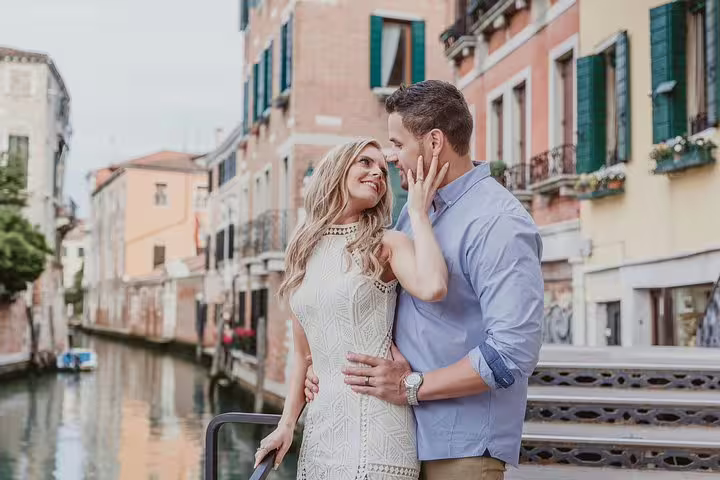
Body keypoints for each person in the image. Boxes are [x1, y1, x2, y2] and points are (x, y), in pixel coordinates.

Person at [304, 80, 545, 480]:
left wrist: (411, 386)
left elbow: (512, 355)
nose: (390, 156)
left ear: (434, 143)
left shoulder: (498, 222)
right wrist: (327, 365)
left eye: (397, 144)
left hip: (461, 449)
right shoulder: (417, 210)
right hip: (401, 437)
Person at [253, 137, 450, 479]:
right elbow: (304, 356)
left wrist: (418, 212)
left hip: (378, 433)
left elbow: (433, 287)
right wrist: (286, 426)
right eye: (365, 162)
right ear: (337, 170)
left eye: (382, 169)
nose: (377, 172)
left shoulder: (387, 243)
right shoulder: (302, 250)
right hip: (320, 435)